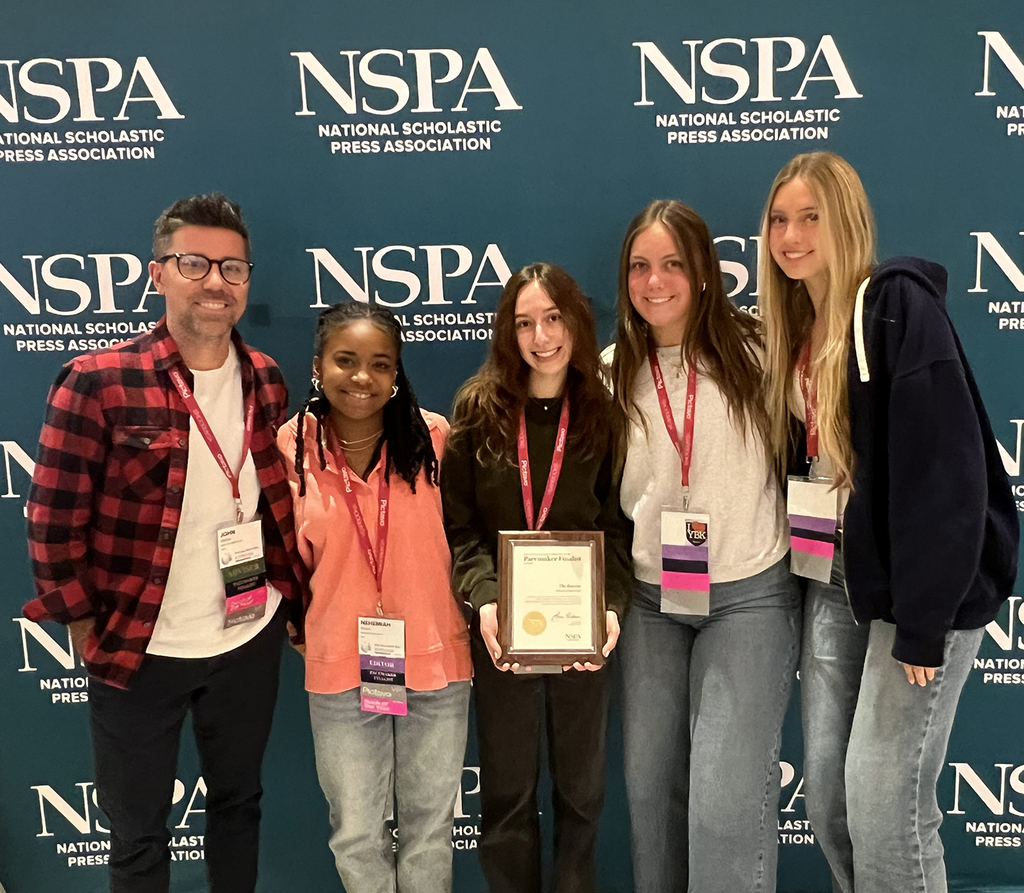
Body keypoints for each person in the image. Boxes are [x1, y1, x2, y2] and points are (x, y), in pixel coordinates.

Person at [23, 193, 304, 893]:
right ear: (158, 274)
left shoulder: (266, 378)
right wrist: (87, 622)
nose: (215, 281)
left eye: (232, 267)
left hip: (248, 638)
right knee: (139, 834)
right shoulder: (98, 381)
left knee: (238, 807)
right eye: (195, 263)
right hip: (140, 649)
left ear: (247, 279)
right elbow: (52, 516)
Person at [759, 151, 1019, 893]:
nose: (791, 234)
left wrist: (923, 621)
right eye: (779, 218)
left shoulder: (897, 308)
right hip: (844, 577)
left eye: (811, 216)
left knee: (886, 802)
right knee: (832, 802)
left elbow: (948, 478)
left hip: (922, 589)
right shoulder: (795, 328)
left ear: (848, 221)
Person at [607, 200, 799, 893]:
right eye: (639, 266)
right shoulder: (611, 371)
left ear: (705, 273)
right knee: (651, 795)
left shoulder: (758, 350)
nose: (654, 281)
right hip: (652, 601)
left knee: (723, 803)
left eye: (672, 265)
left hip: (748, 596)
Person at [441, 263, 632, 893]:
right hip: (504, 635)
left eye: (553, 318)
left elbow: (619, 526)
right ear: (507, 333)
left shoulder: (604, 412)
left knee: (581, 794)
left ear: (577, 320)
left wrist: (610, 608)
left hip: (583, 636)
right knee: (507, 795)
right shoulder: (478, 410)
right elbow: (460, 529)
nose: (541, 335)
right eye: (524, 323)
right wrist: (486, 600)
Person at [277, 302, 471, 893]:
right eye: (346, 360)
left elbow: (471, 541)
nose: (362, 377)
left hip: (437, 665)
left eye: (380, 364)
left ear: (397, 374)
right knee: (356, 832)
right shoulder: (292, 447)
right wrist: (298, 626)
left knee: (430, 830)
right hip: (339, 668)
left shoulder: (435, 438)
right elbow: (280, 556)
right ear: (317, 366)